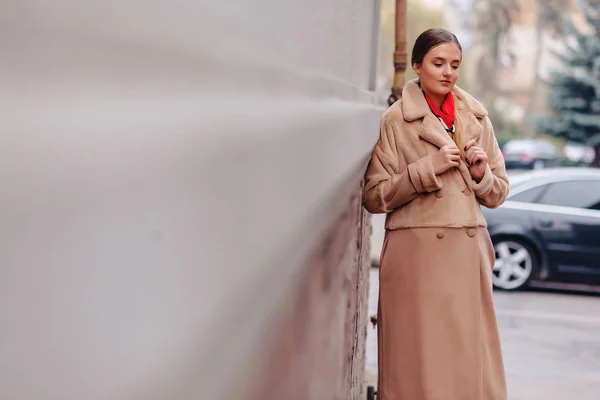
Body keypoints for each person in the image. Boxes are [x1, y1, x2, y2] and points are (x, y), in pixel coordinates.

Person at [363, 28, 509, 399]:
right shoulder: (396, 121)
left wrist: (481, 175)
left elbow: (498, 193)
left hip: (467, 254)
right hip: (418, 256)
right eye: (438, 63)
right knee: (419, 363)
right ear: (417, 65)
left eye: (455, 65)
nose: (447, 72)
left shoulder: (476, 117)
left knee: (467, 366)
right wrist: (427, 169)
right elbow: (374, 196)